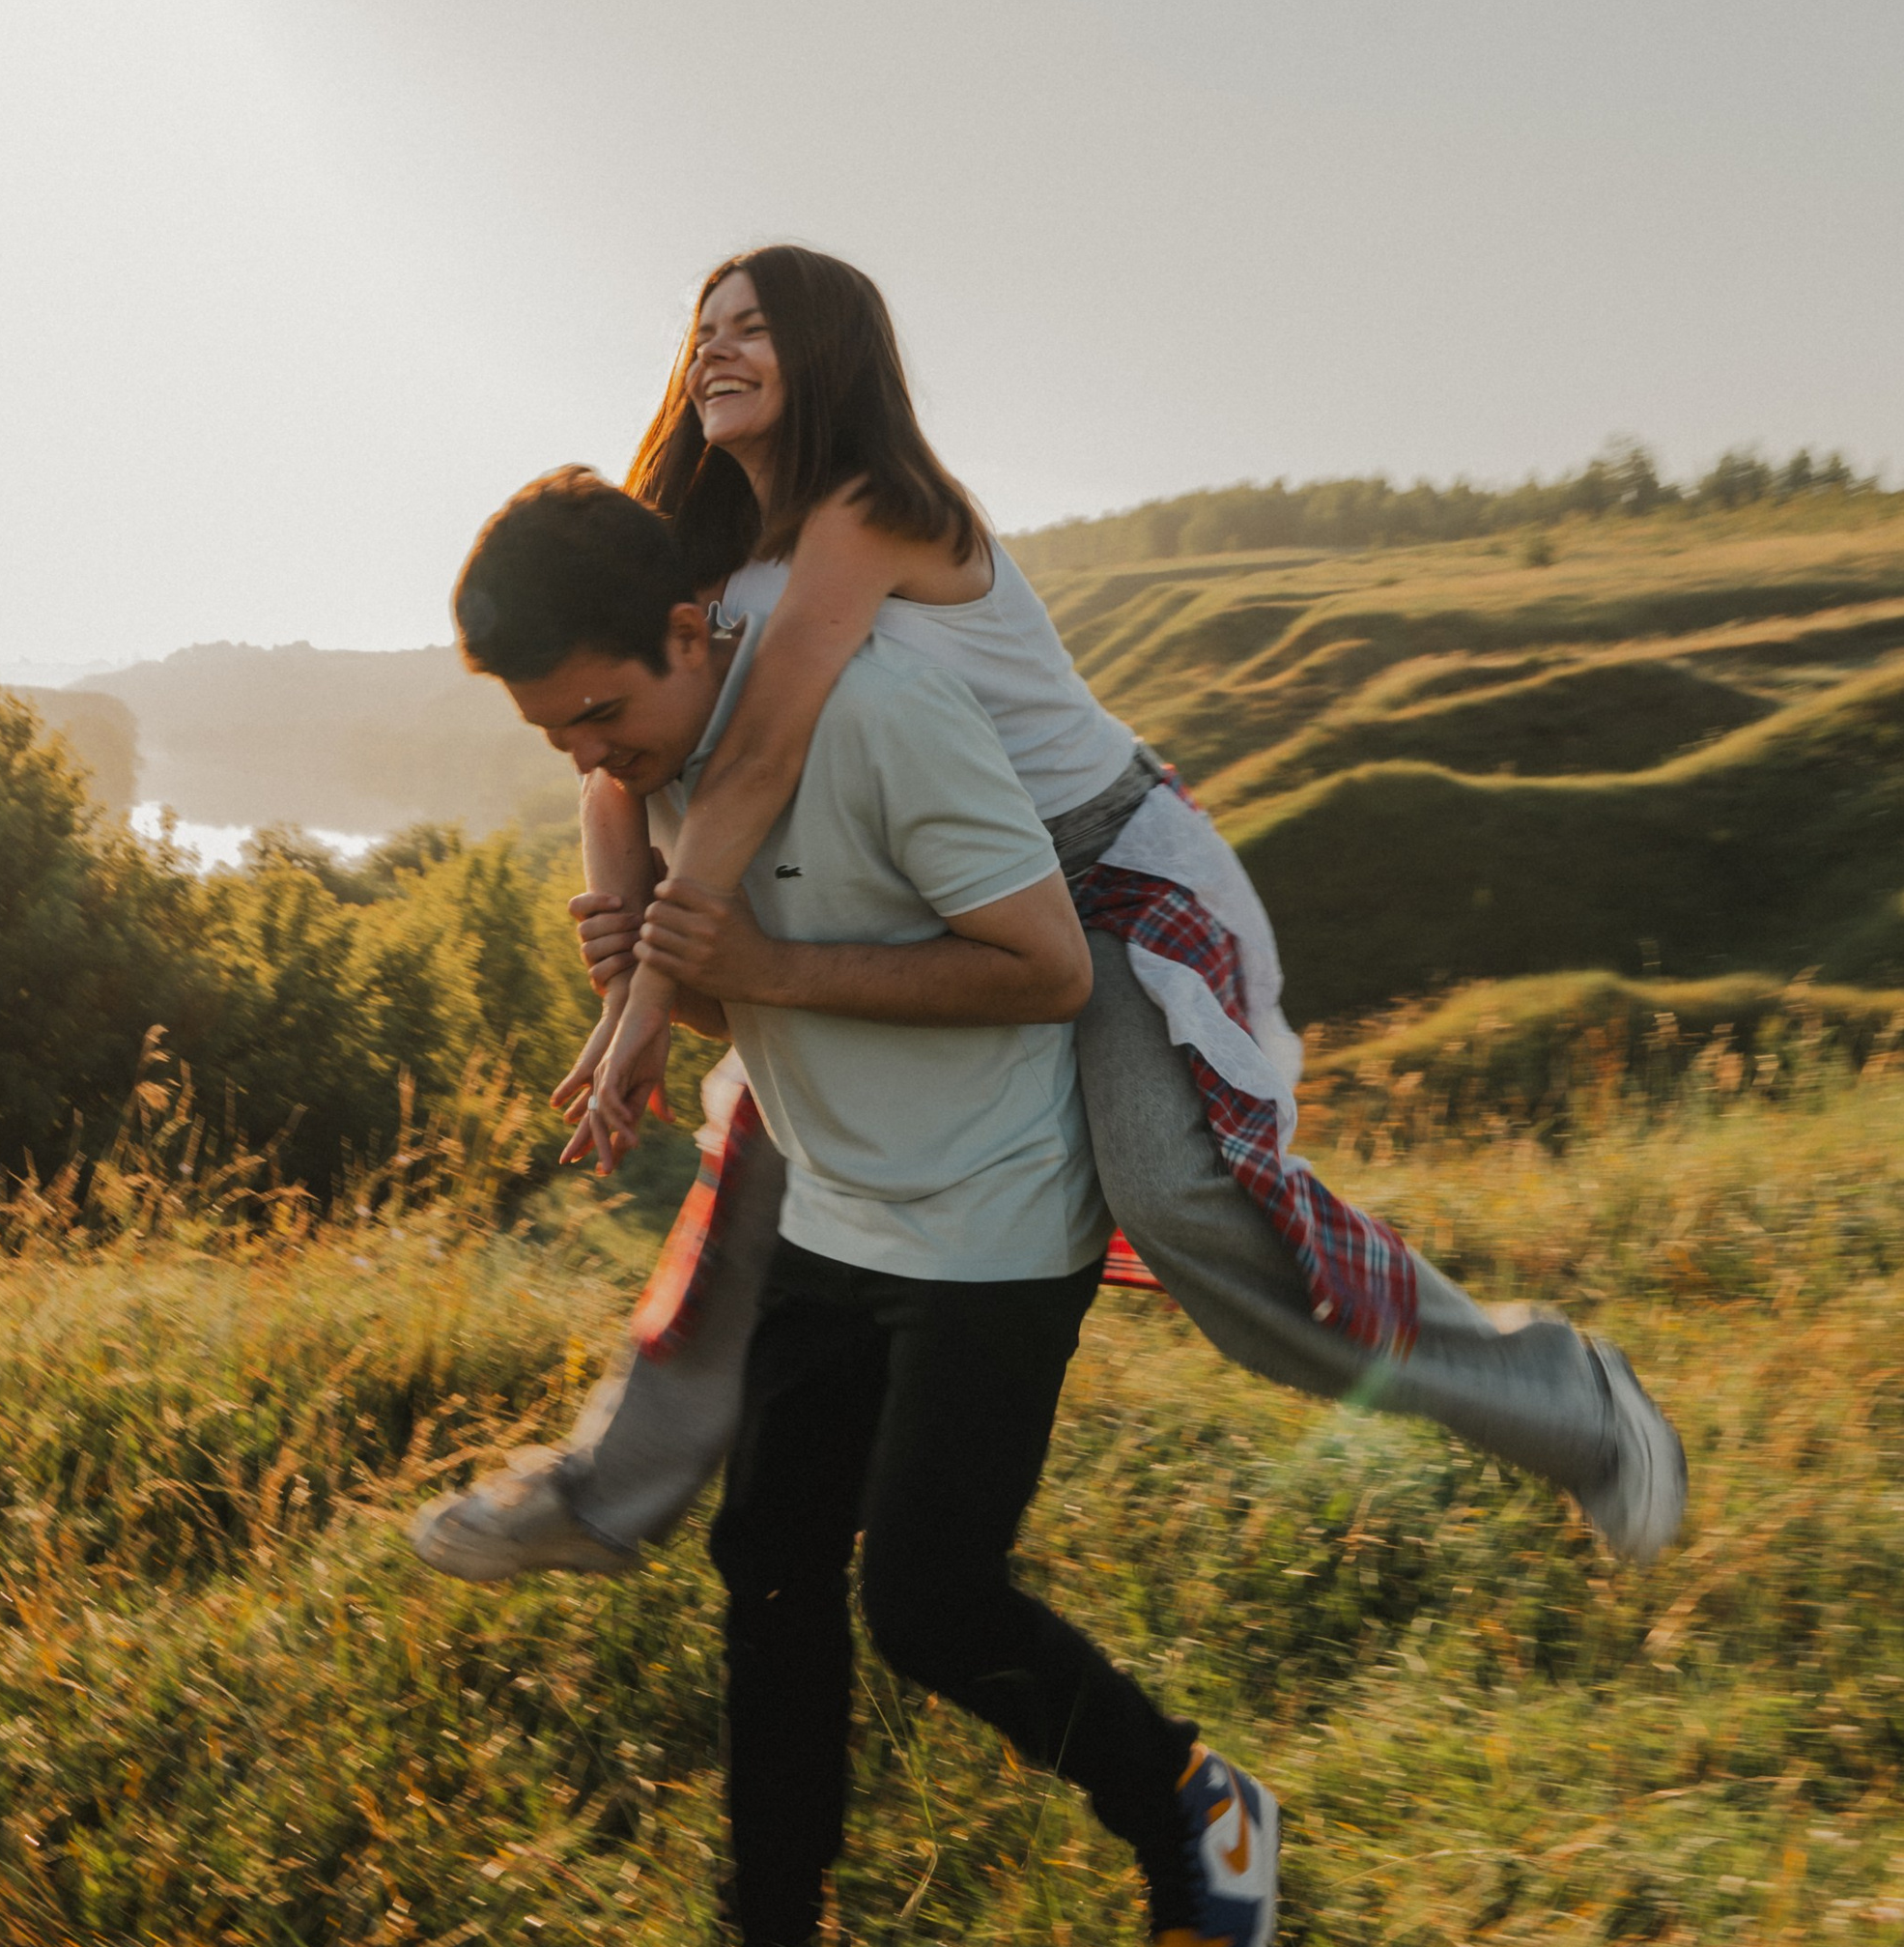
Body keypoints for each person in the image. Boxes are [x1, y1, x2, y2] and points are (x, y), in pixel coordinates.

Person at [410, 246, 1686, 1582]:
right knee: (769, 1144)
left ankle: (1563, 1400)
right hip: (916, 879)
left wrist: (665, 990)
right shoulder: (684, 552)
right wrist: (634, 989)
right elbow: (614, 750)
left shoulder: (874, 505)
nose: (719, 349)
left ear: (831, 348)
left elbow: (764, 743)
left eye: (757, 328)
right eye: (705, 328)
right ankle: (609, 1491)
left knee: (1182, 1200)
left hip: (1103, 874)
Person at [447, 464, 1284, 1947]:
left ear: (695, 631)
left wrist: (750, 959)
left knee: (927, 1600)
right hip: (833, 1205)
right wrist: (666, 982)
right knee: (767, 1568)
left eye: (601, 714)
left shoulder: (882, 718)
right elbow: (756, 1003)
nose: (589, 761)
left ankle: (1193, 1807)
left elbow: (1040, 970)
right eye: (554, 736)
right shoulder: (664, 773)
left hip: (995, 1216)